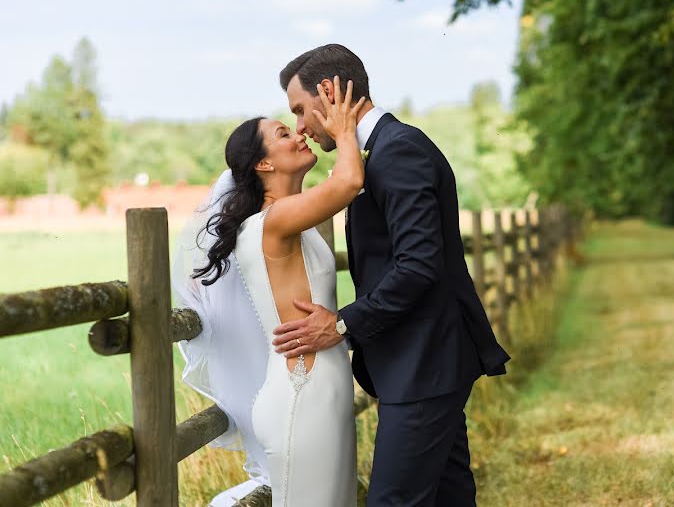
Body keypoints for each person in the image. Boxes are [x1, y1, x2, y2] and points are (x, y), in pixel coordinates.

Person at [271, 44, 511, 506]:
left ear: (329, 92)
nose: (300, 126)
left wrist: (340, 324)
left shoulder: (398, 151)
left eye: (300, 110)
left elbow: (418, 266)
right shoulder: (370, 155)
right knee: (449, 496)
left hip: (425, 362)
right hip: (419, 363)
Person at [174, 77, 366, 506]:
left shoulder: (292, 216)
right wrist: (343, 127)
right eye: (284, 133)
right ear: (263, 165)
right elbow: (349, 181)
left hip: (325, 391)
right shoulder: (273, 221)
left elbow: (343, 182)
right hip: (303, 395)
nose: (299, 132)